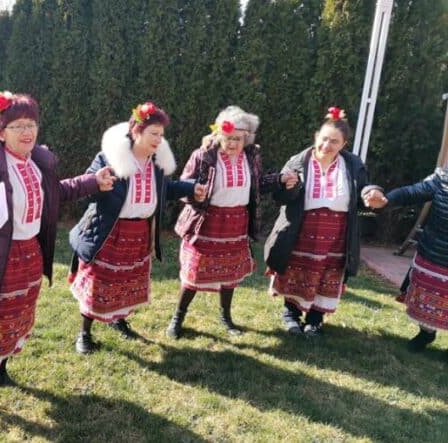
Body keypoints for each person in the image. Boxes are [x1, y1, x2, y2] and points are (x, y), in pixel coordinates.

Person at [0, 92, 115, 414]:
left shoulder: (38, 163)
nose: (27, 132)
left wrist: (93, 181)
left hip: (28, 256)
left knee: (15, 318)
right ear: (0, 132)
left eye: (31, 124)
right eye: (18, 126)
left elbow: (58, 192)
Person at [69, 101, 207, 354]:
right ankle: (84, 334)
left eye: (161, 135)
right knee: (98, 283)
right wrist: (98, 186)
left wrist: (190, 187)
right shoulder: (109, 158)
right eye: (154, 133)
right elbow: (87, 191)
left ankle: (118, 318)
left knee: (126, 282)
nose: (159, 140)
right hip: (109, 232)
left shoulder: (156, 164)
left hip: (138, 234)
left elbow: (166, 189)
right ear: (136, 131)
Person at [167, 106, 298, 338]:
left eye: (238, 138)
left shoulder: (251, 156)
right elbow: (183, 185)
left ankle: (226, 317)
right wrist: (194, 193)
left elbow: (257, 184)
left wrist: (279, 179)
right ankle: (177, 318)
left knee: (229, 275)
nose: (233, 143)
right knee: (193, 273)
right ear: (219, 134)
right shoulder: (204, 155)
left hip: (236, 224)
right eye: (228, 138)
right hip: (206, 223)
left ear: (246, 138)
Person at [264, 107, 380, 337]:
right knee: (296, 271)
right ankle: (291, 315)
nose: (327, 145)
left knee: (328, 275)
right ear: (316, 136)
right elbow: (280, 197)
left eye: (334, 141)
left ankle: (314, 321)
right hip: (301, 229)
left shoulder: (353, 165)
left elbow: (363, 190)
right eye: (324, 138)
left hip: (337, 234)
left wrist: (371, 193)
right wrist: (288, 187)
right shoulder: (298, 161)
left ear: (344, 144)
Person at [364, 168, 448, 351]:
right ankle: (426, 333)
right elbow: (412, 192)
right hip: (435, 252)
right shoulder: (444, 178)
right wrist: (387, 200)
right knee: (428, 301)